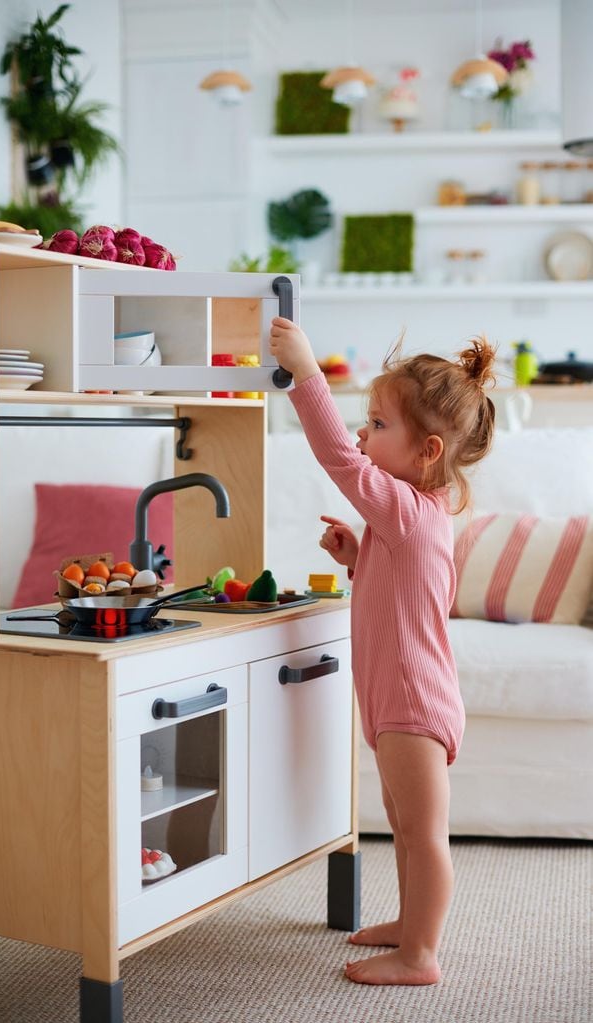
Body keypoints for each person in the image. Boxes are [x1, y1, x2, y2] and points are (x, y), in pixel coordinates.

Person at [269, 316, 496, 987]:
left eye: (377, 424)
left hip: (412, 704)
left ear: (427, 450)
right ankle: (408, 924)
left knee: (424, 832)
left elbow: (336, 454)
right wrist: (358, 558)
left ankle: (420, 954)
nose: (364, 435)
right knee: (401, 821)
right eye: (366, 420)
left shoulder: (404, 507)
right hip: (399, 698)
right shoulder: (419, 512)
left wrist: (307, 372)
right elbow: (405, 590)